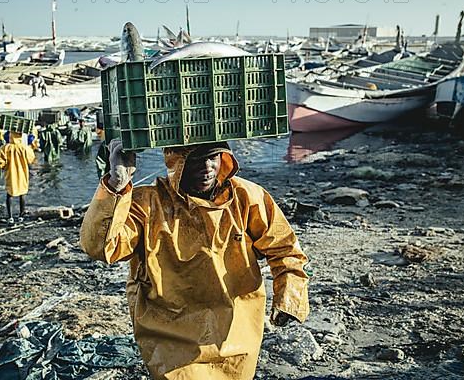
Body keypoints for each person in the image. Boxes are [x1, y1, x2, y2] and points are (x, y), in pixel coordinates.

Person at [80, 141, 310, 379]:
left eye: (213, 157)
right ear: (177, 163)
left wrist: (289, 296)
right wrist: (117, 185)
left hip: (236, 329)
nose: (207, 167)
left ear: (224, 159)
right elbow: (100, 247)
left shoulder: (246, 197)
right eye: (197, 159)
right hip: (169, 334)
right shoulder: (147, 203)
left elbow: (285, 249)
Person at [0, 131, 36, 223]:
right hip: (22, 172)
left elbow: (1, 162)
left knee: (9, 194)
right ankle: (21, 215)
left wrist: (3, 167)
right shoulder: (24, 148)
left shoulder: (5, 148)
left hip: (10, 173)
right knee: (22, 193)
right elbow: (31, 158)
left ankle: (10, 216)